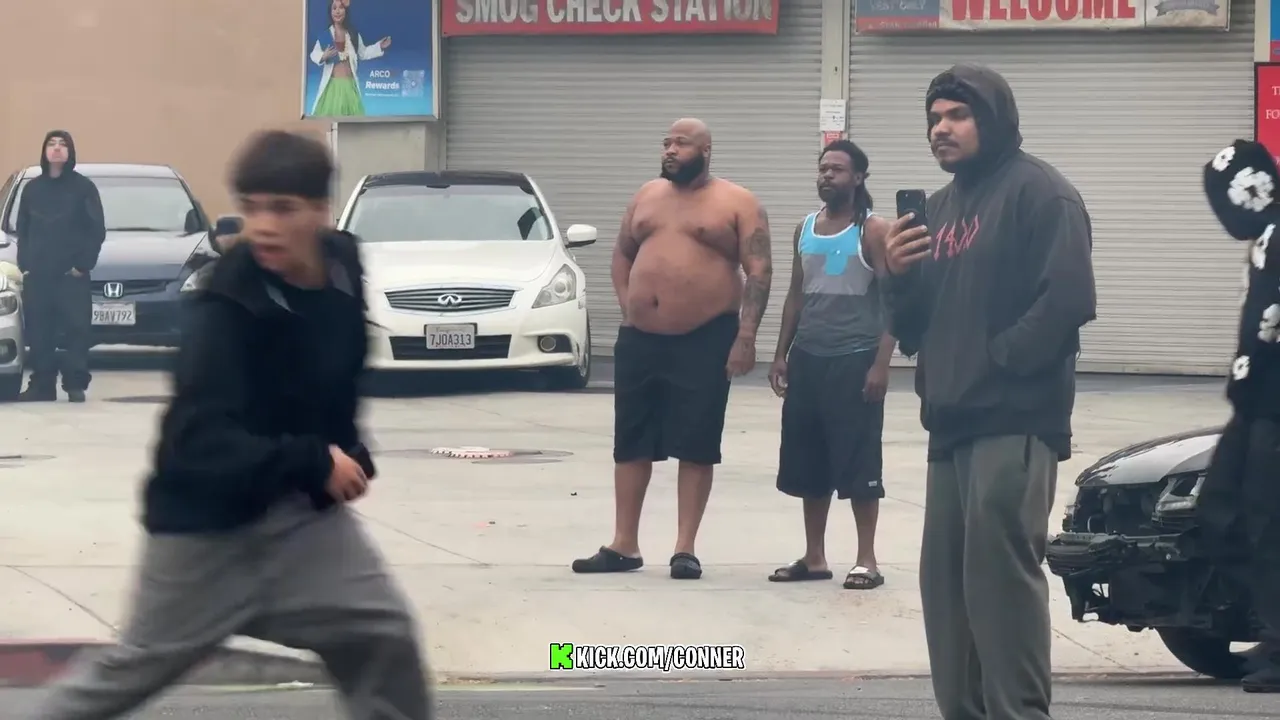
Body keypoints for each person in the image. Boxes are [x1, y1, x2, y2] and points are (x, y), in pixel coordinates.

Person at [23, 130, 433, 720]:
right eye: (252, 208)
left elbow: (334, 385)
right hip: (204, 532)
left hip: (298, 520)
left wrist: (346, 450)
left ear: (321, 211)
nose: (263, 226)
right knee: (127, 674)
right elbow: (199, 444)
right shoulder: (226, 305)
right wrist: (315, 459)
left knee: (385, 636)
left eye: (283, 209)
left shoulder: (343, 268)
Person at [882, 64, 1096, 720]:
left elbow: (1068, 301)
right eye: (933, 118)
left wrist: (997, 362)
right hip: (949, 424)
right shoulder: (939, 208)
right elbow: (914, 327)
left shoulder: (1042, 193)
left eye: (957, 115)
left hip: (1013, 419)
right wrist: (897, 275)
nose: (940, 129)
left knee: (1000, 583)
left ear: (993, 119)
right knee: (946, 590)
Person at [571, 118, 773, 580]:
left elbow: (759, 271)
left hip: (706, 336)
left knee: (697, 442)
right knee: (631, 440)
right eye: (666, 142)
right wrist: (629, 306)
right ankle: (624, 544)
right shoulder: (646, 196)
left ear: (706, 150)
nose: (670, 149)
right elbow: (622, 254)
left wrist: (746, 337)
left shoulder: (737, 202)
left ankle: (685, 547)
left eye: (681, 143)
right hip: (641, 337)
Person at [766, 139, 895, 590]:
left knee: (860, 462)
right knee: (809, 460)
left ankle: (866, 560)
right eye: (823, 168)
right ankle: (814, 557)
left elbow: (894, 301)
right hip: (809, 360)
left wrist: (881, 364)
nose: (827, 176)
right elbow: (795, 295)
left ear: (858, 177)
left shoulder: (874, 230)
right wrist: (781, 354)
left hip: (855, 360)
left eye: (837, 169)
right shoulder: (804, 227)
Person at [1196, 138, 1280, 694]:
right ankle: (1269, 628)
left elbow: (1269, 325)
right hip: (1255, 404)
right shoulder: (1266, 238)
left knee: (1269, 524)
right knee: (1222, 509)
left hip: (1272, 404)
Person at [15, 130, 105, 403]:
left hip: (71, 276)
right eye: (51, 144)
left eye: (62, 144)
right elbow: (23, 230)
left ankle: (75, 384)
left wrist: (82, 265)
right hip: (38, 275)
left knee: (76, 331)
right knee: (39, 333)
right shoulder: (32, 189)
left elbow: (96, 230)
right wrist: (25, 265)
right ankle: (43, 385)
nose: (56, 148)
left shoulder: (83, 188)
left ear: (70, 151)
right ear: (44, 151)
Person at [308, 0, 391, 117]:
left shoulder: (353, 35)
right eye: (334, 8)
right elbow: (314, 54)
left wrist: (379, 46)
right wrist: (323, 56)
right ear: (330, 12)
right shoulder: (325, 36)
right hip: (333, 88)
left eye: (341, 8)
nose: (337, 11)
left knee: (353, 123)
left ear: (346, 11)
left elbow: (363, 53)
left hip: (350, 87)